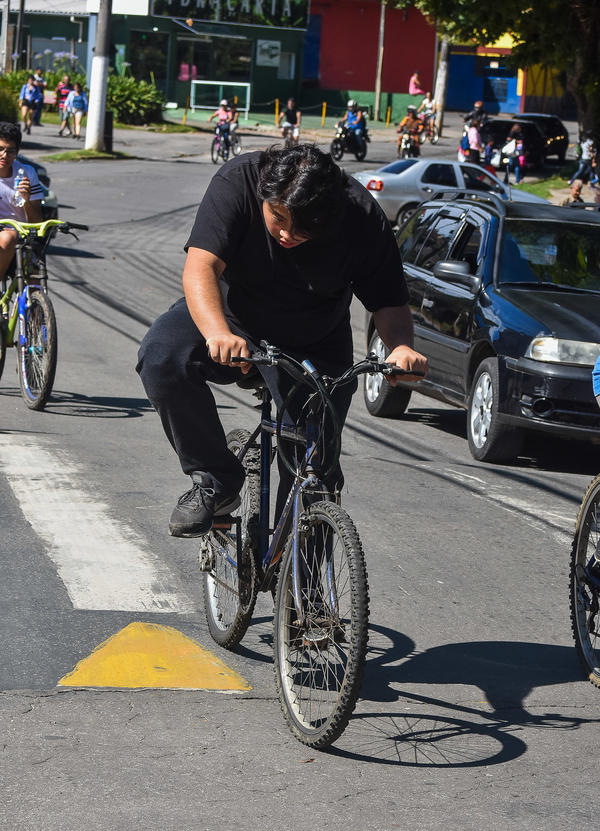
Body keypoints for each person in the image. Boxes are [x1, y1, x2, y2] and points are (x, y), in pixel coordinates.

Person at [136, 145, 428, 538]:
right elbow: (200, 266)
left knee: (313, 473)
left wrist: (401, 347)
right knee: (162, 355)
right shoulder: (238, 181)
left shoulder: (359, 215)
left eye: (306, 227)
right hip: (227, 319)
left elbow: (389, 301)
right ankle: (216, 481)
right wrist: (218, 332)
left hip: (314, 339)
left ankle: (305, 593)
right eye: (278, 218)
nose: (288, 233)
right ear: (265, 196)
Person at [0, 122, 44, 279]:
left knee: (35, 280)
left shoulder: (27, 172)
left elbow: (36, 220)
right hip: (4, 237)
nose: (5, 155)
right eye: (0, 149)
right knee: (8, 237)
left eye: (10, 151)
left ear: (17, 152)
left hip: (22, 238)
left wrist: (26, 200)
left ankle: (36, 302)